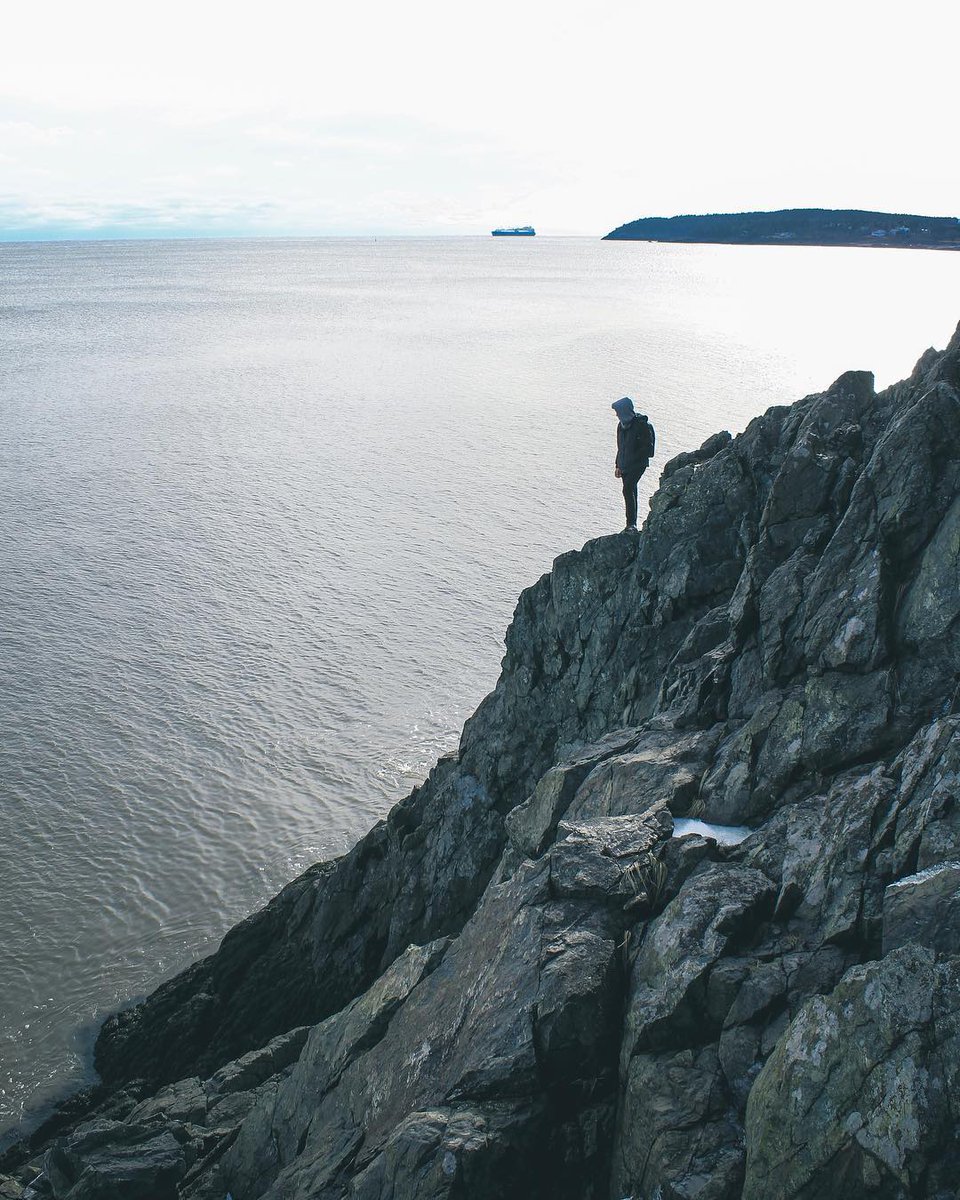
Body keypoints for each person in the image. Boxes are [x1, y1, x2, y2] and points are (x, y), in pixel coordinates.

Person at [612, 396, 654, 531]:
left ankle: (631, 524)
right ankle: (631, 524)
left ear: (624, 410)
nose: (616, 414)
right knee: (631, 490)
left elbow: (648, 450)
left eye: (618, 411)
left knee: (627, 489)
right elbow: (621, 447)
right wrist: (618, 465)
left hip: (638, 465)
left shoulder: (642, 426)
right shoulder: (621, 426)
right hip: (625, 465)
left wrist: (631, 460)